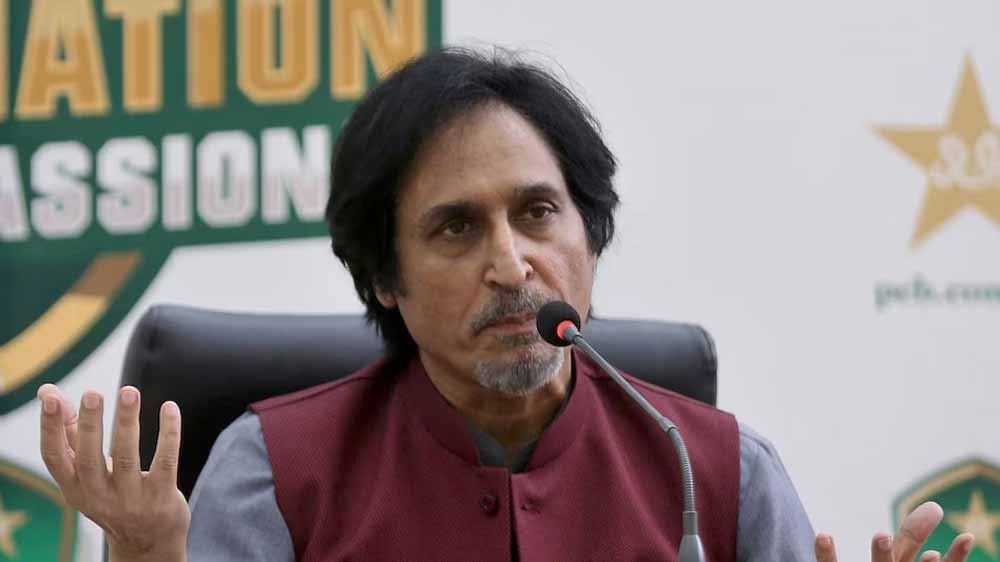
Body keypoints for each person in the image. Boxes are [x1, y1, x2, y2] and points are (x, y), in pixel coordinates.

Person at [37, 47, 975, 562]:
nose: (511, 264)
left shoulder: (725, 475)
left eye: (537, 213)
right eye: (455, 228)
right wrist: (149, 558)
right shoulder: (271, 473)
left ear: (590, 239)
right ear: (384, 278)